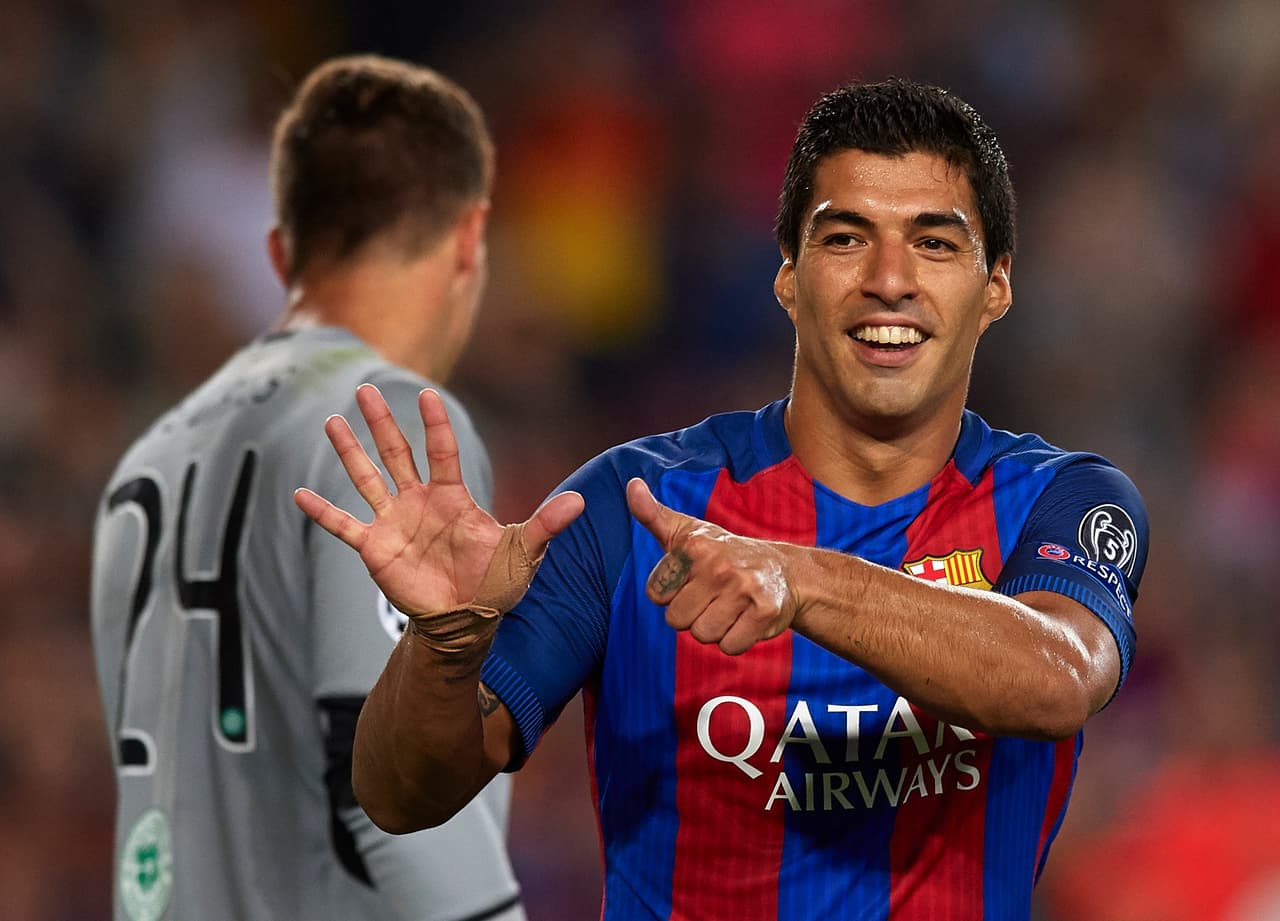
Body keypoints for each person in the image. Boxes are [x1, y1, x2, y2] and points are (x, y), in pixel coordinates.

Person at [296, 77, 1149, 920]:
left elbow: (1058, 679)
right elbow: (400, 795)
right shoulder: (633, 505)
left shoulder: (1063, 499)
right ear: (788, 278)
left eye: (934, 243)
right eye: (846, 238)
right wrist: (444, 647)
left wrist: (799, 580)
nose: (890, 279)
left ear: (995, 284)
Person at [90, 55, 526, 921]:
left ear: (282, 251)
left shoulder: (148, 456)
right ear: (470, 237)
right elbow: (397, 805)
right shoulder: (390, 424)